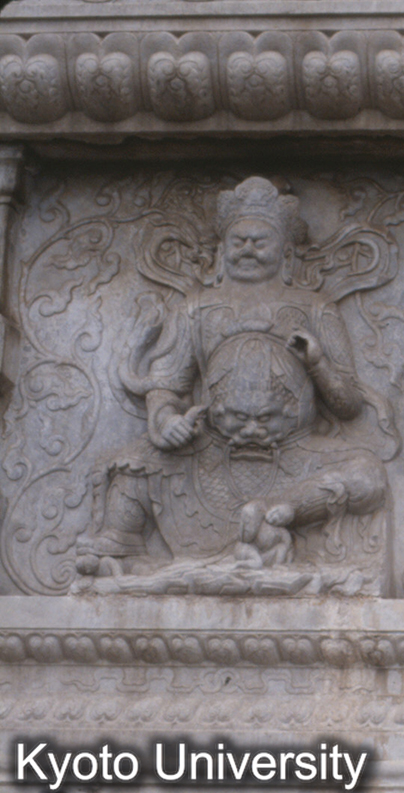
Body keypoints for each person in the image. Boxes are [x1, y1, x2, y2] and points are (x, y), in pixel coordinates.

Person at [76, 177, 386, 579]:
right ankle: (120, 543)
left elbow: (349, 404)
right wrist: (165, 421)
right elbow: (166, 385)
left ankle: (283, 509)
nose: (248, 249)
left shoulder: (315, 309)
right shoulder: (197, 309)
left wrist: (318, 364)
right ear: (222, 250)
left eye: (261, 241)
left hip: (293, 454)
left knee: (367, 472)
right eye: (239, 241)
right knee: (129, 465)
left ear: (287, 252)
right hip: (212, 453)